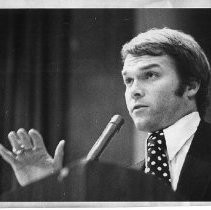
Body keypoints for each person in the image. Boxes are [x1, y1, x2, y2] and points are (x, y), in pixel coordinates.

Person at [0, 27, 211, 201]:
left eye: (150, 74)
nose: (134, 91)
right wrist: (51, 193)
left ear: (191, 86)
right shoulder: (131, 180)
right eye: (128, 80)